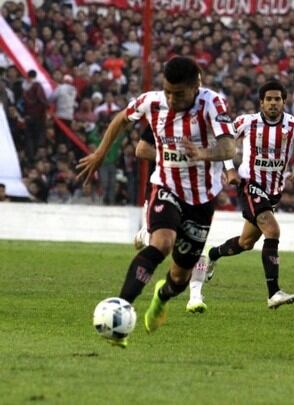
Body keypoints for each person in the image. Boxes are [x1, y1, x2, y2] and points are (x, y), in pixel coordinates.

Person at [77, 56, 236, 347]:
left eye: (179, 93)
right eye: (168, 91)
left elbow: (229, 146)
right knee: (161, 243)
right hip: (166, 187)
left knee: (180, 277)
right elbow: (121, 119)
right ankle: (121, 307)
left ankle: (162, 297)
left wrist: (203, 154)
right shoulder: (152, 102)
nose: (172, 98)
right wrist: (100, 153)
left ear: (195, 86)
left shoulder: (213, 104)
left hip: (201, 200)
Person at [205, 80, 294, 309]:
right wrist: (230, 169)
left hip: (273, 191)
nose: (273, 103)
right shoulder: (246, 122)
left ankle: (213, 254)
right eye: (269, 99)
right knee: (273, 231)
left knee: (246, 242)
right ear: (261, 102)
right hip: (249, 183)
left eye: (277, 99)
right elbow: (224, 145)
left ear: (284, 102)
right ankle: (274, 293)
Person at [133, 126, 223, 314]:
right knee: (162, 244)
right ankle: (145, 234)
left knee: (197, 247)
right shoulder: (160, 118)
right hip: (163, 191)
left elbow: (222, 149)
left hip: (194, 195)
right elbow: (141, 149)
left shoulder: (205, 117)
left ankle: (195, 296)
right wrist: (175, 159)